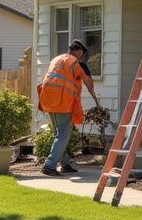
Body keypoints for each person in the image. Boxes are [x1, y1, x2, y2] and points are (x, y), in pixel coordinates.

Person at [36, 39, 98, 176]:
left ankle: (64, 163)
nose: (81, 56)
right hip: (62, 103)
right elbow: (88, 82)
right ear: (78, 51)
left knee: (59, 134)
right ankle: (49, 165)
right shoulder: (74, 62)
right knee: (63, 134)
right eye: (81, 53)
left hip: (48, 101)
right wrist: (86, 73)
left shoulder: (56, 59)